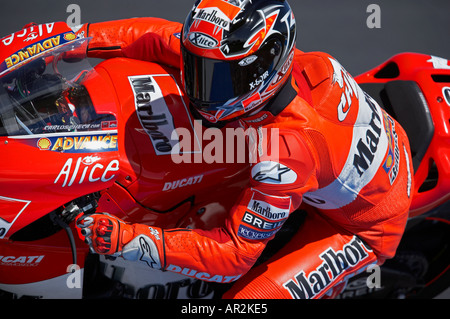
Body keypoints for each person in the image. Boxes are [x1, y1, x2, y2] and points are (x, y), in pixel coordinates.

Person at [76, 0, 414, 299]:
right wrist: (73, 38)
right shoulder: (262, 62)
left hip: (362, 226)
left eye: (219, 79)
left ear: (262, 70)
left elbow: (234, 254)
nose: (201, 88)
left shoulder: (285, 152)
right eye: (198, 69)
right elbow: (154, 36)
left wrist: (129, 240)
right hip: (358, 155)